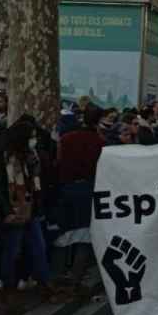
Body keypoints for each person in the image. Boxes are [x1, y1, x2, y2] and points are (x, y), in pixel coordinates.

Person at [0, 121, 53, 300]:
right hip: (13, 209)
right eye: (31, 137)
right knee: (12, 248)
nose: (34, 140)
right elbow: (2, 188)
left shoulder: (31, 156)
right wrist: (8, 209)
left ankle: (44, 281)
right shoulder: (3, 158)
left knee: (38, 246)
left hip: (30, 207)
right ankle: (7, 281)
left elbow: (36, 182)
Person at [55, 105, 105, 297]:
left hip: (66, 189)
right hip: (88, 191)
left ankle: (58, 275)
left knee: (64, 234)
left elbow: (58, 163)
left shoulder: (66, 139)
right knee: (84, 236)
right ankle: (75, 278)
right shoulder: (100, 143)